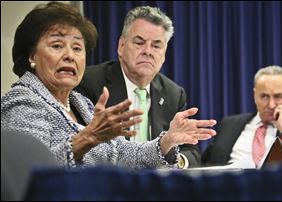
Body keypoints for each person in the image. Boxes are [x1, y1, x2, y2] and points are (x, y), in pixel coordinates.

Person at [1, 2, 217, 169]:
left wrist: (165, 142)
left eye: (77, 48)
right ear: (32, 55)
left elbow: (121, 152)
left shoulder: (81, 103)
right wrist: (87, 138)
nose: (69, 56)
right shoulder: (22, 102)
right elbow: (27, 173)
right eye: (57, 46)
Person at [77, 6, 211, 168]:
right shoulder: (91, 82)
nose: (147, 51)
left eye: (156, 46)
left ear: (164, 54)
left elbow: (190, 151)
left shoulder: (173, 94)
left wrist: (176, 162)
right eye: (139, 43)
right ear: (121, 46)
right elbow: (81, 148)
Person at [202, 65, 282, 167]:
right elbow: (206, 162)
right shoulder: (229, 124)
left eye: (278, 96)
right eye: (264, 96)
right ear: (254, 95)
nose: (271, 105)